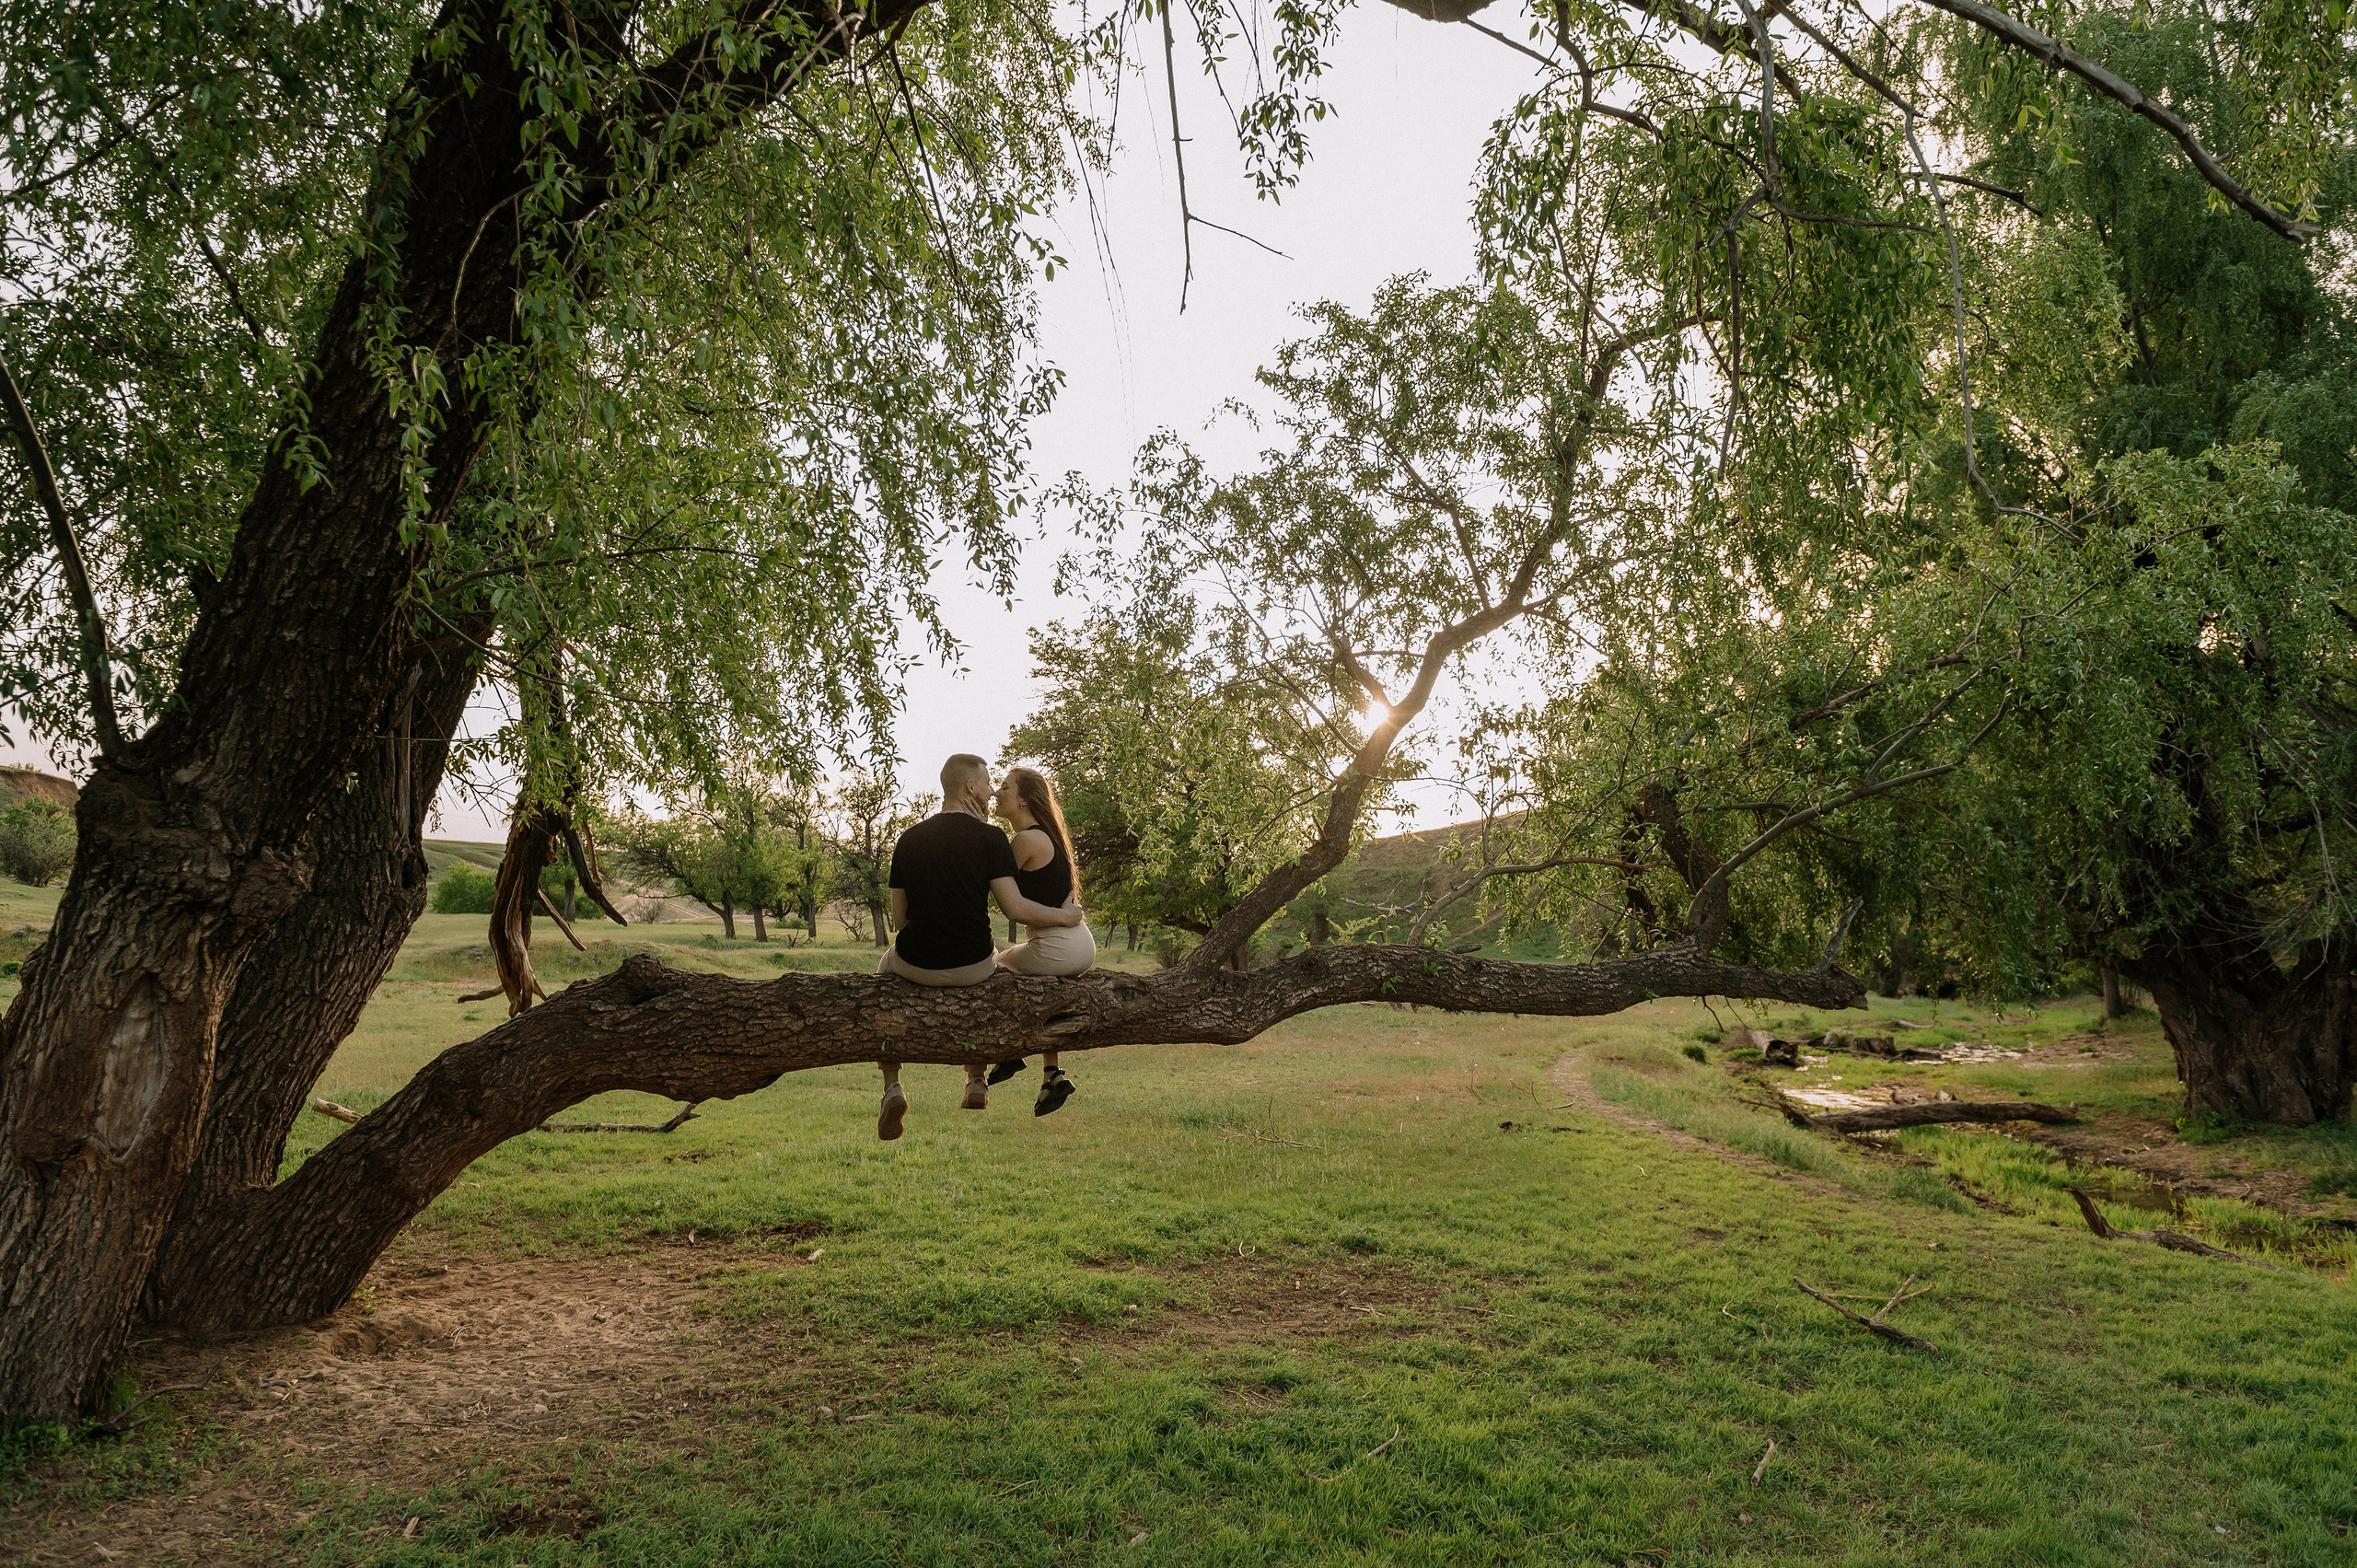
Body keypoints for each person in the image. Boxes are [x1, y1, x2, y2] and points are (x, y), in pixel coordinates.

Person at [875, 753, 1084, 1140]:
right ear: (971, 787)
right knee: (996, 962)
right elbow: (1012, 906)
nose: (990, 791)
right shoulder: (992, 839)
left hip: (915, 962)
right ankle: (975, 1080)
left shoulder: (907, 839)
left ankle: (892, 1086)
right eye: (988, 783)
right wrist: (1066, 917)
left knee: (881, 977)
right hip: (974, 965)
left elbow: (900, 922)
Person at [982, 765, 1095, 1116]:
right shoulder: (1050, 836)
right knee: (1044, 992)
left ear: (1025, 799)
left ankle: (1008, 1053)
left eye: (1004, 787)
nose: (997, 793)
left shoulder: (1026, 840)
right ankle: (1052, 1075)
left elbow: (1012, 905)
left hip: (1057, 944)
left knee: (993, 967)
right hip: (1077, 943)